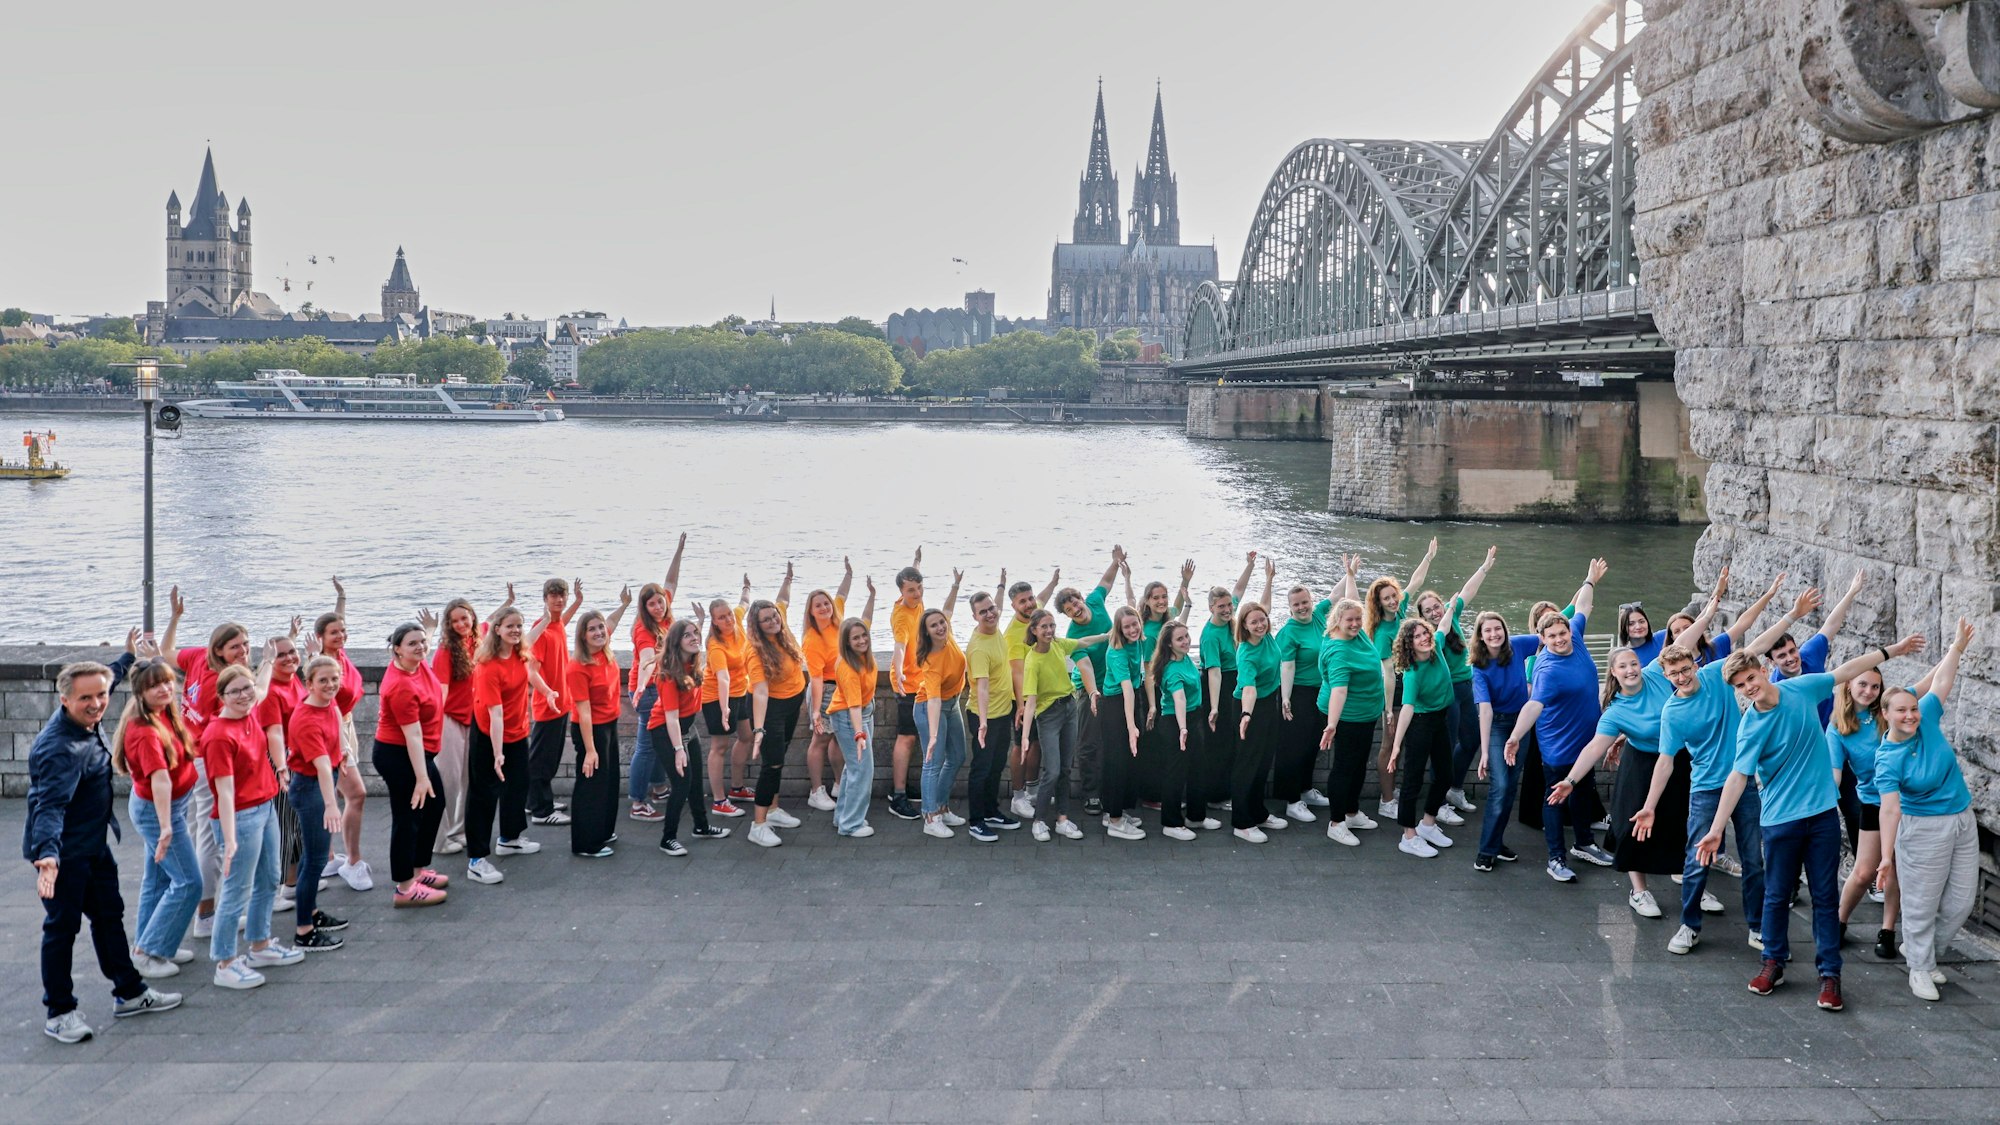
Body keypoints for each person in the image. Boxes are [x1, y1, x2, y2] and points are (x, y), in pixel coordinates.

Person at [1697, 628, 1925, 1012]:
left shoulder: (1801, 689)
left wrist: (1893, 650)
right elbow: (1738, 777)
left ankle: (1830, 975)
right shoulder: (1750, 725)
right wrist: (1717, 829)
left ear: (1763, 670)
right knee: (1775, 895)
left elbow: (1847, 671)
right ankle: (1772, 963)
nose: (1749, 687)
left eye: (1750, 678)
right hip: (1779, 821)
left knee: (1825, 896)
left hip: (1821, 816)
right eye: (1740, 686)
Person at [28, 657, 181, 1043]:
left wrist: (127, 657)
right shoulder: (59, 749)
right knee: (62, 930)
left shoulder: (85, 717)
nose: (97, 703)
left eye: (101, 694)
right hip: (63, 854)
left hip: (93, 845)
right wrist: (48, 856)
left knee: (109, 917)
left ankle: (129, 992)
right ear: (64, 700)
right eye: (86, 698)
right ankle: (59, 1013)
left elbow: (101, 685)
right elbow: (49, 806)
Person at [1551, 575, 1724, 916]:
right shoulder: (1616, 711)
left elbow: (1688, 636)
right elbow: (1593, 748)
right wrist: (1570, 780)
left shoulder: (1657, 672)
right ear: (1614, 673)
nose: (1631, 669)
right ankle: (1639, 891)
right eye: (1623, 666)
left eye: (1633, 663)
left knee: (1684, 823)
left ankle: (1692, 881)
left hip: (1677, 760)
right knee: (1633, 828)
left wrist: (1713, 603)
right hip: (1641, 765)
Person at [1877, 620, 1977, 1003]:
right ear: (1886, 714)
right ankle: (1919, 968)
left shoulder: (1928, 716)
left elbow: (1942, 682)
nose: (1911, 715)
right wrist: (1886, 857)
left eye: (1913, 709)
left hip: (1962, 819)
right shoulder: (1887, 759)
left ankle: (1923, 952)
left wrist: (1957, 647)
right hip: (1922, 829)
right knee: (1921, 903)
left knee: (1961, 902)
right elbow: (1890, 810)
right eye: (1901, 710)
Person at [202, 656, 308, 988]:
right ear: (221, 697)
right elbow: (224, 792)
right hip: (240, 817)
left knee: (269, 878)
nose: (245, 695)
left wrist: (266, 662)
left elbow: (261, 687)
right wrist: (230, 839)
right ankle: (225, 963)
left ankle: (260, 946)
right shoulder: (219, 736)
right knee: (237, 890)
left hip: (265, 807)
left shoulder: (250, 712)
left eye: (246, 688)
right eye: (235, 691)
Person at [1503, 561, 1607, 884]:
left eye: (1562, 633)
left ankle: (1584, 843)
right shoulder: (1546, 669)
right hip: (1559, 745)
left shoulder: (1576, 635)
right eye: (1552, 636)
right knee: (1555, 796)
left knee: (1583, 789)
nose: (1560, 639)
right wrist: (1515, 737)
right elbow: (1533, 706)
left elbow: (1583, 606)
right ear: (1542, 638)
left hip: (1587, 740)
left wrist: (1589, 580)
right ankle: (1556, 858)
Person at [112, 654, 204, 976]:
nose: (165, 689)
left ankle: (154, 943)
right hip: (158, 811)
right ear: (141, 692)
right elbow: (160, 780)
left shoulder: (163, 713)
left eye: (167, 682)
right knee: (189, 882)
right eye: (155, 686)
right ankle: (149, 951)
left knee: (159, 880)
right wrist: (166, 828)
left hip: (167, 806)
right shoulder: (145, 732)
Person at [463, 606, 558, 885]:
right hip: (488, 736)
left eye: (519, 626)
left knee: (518, 785)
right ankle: (476, 860)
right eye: (510, 626)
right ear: (497, 630)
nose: (516, 631)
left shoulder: (519, 653)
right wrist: (497, 754)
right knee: (483, 796)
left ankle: (509, 838)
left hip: (516, 732)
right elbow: (495, 714)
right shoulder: (487, 667)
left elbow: (530, 673)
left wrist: (547, 691)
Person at [1414, 545, 1496, 817]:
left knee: (1471, 740)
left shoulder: (1453, 614)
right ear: (1422, 617)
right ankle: (1438, 804)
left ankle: (1455, 788)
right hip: (1445, 694)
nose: (1434, 612)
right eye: (1428, 611)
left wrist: (1484, 567)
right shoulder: (1428, 636)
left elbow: (1467, 591)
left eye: (1436, 606)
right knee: (1444, 749)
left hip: (1466, 687)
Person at [373, 616, 450, 907]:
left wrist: (427, 630)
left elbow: (420, 645)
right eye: (412, 644)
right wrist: (421, 777)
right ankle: (405, 888)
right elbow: (412, 735)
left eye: (423, 642)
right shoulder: (400, 685)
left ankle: (417, 871)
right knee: (408, 817)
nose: (420, 647)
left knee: (434, 804)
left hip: (417, 753)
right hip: (399, 755)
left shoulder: (417, 664)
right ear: (397, 649)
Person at [1364, 540, 1438, 819]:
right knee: (1390, 745)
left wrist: (1428, 557)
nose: (1393, 601)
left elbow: (1415, 582)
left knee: (1405, 745)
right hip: (1394, 694)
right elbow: (1387, 673)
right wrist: (1387, 709)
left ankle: (1396, 792)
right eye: (1387, 599)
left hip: (1413, 687)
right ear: (1378, 603)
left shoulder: (1401, 613)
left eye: (1394, 596)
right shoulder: (1382, 633)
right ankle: (1386, 800)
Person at [1018, 608, 1106, 842]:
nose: (1049, 630)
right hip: (1048, 716)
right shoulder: (1032, 661)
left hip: (1069, 709)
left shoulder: (1058, 644)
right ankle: (1039, 821)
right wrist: (1025, 736)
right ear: (1034, 630)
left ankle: (1062, 820)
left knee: (1066, 768)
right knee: (1053, 771)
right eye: (1044, 627)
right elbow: (1030, 702)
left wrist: (1108, 635)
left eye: (1052, 625)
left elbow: (1083, 642)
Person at [653, 611, 734, 855]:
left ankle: (701, 826)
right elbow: (671, 717)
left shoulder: (692, 665)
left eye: (695, 633)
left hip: (688, 727)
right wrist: (678, 749)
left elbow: (693, 639)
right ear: (676, 642)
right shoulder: (668, 674)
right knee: (681, 783)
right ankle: (667, 838)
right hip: (666, 731)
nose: (694, 637)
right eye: (687, 635)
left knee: (696, 779)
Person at [1828, 667, 1895, 958]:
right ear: (1848, 685)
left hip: (1906, 803)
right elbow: (1834, 776)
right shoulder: (1838, 728)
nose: (1869, 692)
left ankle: (1888, 931)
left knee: (1895, 871)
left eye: (1875, 687)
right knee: (1865, 871)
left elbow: (1926, 688)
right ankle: (1839, 922)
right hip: (1873, 803)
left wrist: (1956, 650)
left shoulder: (1888, 711)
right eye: (1863, 684)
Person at [312, 586, 374, 894]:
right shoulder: (322, 665)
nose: (341, 635)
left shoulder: (339, 654)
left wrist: (342, 598)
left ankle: (327, 857)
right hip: (332, 732)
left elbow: (337, 619)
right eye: (334, 633)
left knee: (334, 793)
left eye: (343, 631)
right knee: (356, 794)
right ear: (320, 638)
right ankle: (352, 861)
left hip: (346, 726)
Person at [285, 655, 349, 951]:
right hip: (310, 788)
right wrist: (331, 805)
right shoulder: (306, 719)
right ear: (308, 684)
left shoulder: (328, 703)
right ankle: (304, 931)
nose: (330, 685)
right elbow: (321, 766)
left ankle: (311, 912)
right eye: (323, 680)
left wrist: (343, 753)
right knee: (315, 860)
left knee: (314, 856)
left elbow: (336, 723)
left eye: (334, 679)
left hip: (321, 781)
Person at [1054, 547, 1122, 817]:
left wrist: (1115, 562)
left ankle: (1113, 791)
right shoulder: (1074, 635)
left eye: (1075, 603)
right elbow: (1084, 667)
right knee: (1089, 743)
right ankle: (1091, 794)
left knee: (1113, 740)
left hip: (1113, 684)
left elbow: (1106, 582)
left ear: (1082, 599)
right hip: (1088, 690)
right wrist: (1093, 694)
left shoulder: (1095, 601)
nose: (1075, 609)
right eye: (1069, 610)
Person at [1317, 559, 1379, 847]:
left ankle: (1352, 812)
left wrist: (1351, 575)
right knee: (1344, 767)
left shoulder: (1358, 634)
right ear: (1337, 622)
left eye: (1358, 619)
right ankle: (1336, 822)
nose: (1355, 624)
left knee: (1359, 765)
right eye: (1349, 620)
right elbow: (1339, 691)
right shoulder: (1339, 651)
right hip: (1347, 717)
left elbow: (1352, 600)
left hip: (1366, 714)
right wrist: (1332, 725)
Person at [746, 569, 810, 848]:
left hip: (791, 702)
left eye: (774, 616)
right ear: (757, 625)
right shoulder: (755, 651)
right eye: (767, 620)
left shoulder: (780, 629)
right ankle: (758, 825)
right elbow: (760, 691)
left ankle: (772, 810)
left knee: (779, 758)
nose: (773, 621)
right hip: (770, 709)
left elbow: (783, 600)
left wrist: (788, 580)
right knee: (771, 765)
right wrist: (759, 729)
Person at [568, 590, 632, 857]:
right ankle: (585, 844)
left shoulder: (604, 651)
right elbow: (583, 712)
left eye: (600, 628)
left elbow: (611, 622)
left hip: (608, 725)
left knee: (609, 781)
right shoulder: (578, 667)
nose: (599, 632)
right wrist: (590, 750)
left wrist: (624, 604)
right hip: (590, 729)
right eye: (591, 629)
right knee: (591, 785)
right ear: (583, 636)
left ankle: (603, 831)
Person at [1387, 617, 1457, 858]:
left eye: (1425, 633)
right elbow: (1407, 708)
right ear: (1409, 644)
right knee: (1412, 780)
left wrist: (1453, 604)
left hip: (1440, 719)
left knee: (1445, 775)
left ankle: (1427, 824)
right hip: (1420, 723)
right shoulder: (1412, 673)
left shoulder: (1437, 647)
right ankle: (1408, 836)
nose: (1424, 638)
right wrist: (1397, 746)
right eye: (1417, 636)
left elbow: (1444, 624)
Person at [627, 536, 686, 822]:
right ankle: (637, 802)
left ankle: (659, 787)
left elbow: (671, 581)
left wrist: (679, 551)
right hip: (648, 690)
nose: (658, 606)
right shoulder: (644, 630)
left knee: (660, 740)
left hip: (661, 688)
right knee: (647, 747)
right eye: (652, 604)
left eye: (660, 601)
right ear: (644, 607)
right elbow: (647, 660)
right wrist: (640, 687)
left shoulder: (665, 610)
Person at [1232, 574, 1291, 844]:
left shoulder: (1266, 636)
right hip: (1250, 708)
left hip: (1269, 702)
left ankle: (1258, 813)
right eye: (1253, 622)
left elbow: (1264, 606)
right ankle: (1242, 823)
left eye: (1262, 620)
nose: (1260, 624)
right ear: (1244, 626)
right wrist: (1246, 715)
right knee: (1247, 765)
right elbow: (1249, 688)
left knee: (1263, 761)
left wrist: (1269, 579)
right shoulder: (1247, 653)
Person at [1274, 575, 1335, 824]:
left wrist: (1350, 573)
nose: (1302, 607)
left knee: (1312, 744)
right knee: (1294, 747)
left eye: (1304, 602)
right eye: (1296, 604)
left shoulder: (1319, 616)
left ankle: (1306, 789)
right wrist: (1286, 698)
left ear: (1311, 601)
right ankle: (1292, 801)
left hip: (1319, 692)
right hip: (1297, 693)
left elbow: (1335, 595)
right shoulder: (1289, 632)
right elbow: (1286, 667)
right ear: (1290, 608)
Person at [1002, 567, 1062, 819]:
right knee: (1021, 746)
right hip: (1023, 699)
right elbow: (1016, 673)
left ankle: (1033, 790)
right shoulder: (1014, 635)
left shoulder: (1035, 614)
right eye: (1022, 601)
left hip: (1041, 698)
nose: (1028, 604)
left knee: (1035, 744)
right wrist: (1021, 705)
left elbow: (1042, 599)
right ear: (1013, 605)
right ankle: (1017, 798)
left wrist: (1053, 582)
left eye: (1030, 598)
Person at [252, 631, 305, 915]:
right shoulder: (271, 690)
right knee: (281, 827)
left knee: (294, 825)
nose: (289, 658)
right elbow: (274, 733)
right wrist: (282, 767)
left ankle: (291, 883)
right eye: (281, 655)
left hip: (296, 757)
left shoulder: (294, 679)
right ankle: (269, 893)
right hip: (280, 761)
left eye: (292, 651)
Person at [1201, 553, 1259, 814]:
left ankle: (1231, 790)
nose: (1227, 610)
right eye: (1221, 607)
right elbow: (1213, 673)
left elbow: (1238, 590)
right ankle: (1215, 795)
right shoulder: (1210, 635)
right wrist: (1214, 708)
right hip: (1220, 687)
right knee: (1220, 743)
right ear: (1211, 608)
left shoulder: (1229, 619)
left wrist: (1250, 565)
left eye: (1228, 606)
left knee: (1234, 740)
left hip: (1234, 681)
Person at [914, 575, 970, 839]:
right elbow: (933, 699)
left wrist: (955, 585)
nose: (940, 627)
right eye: (934, 625)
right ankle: (930, 816)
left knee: (957, 756)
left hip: (953, 703)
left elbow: (947, 609)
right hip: (929, 709)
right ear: (926, 632)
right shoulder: (931, 661)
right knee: (932, 763)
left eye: (941, 623)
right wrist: (934, 735)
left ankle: (941, 806)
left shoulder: (949, 635)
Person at [525, 577, 584, 826]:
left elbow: (562, 622)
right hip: (548, 706)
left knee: (549, 757)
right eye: (553, 596)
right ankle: (542, 811)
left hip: (561, 704)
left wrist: (578, 602)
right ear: (545, 599)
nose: (559, 600)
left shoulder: (556, 623)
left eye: (563, 595)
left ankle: (534, 801)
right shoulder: (541, 630)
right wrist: (548, 692)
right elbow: (531, 671)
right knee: (542, 760)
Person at [1147, 619, 1211, 840]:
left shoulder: (1184, 659)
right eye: (1180, 639)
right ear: (1169, 644)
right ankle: (1171, 823)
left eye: (1186, 636)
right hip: (1175, 722)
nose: (1186, 641)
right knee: (1175, 774)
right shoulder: (1172, 670)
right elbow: (1179, 699)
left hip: (1193, 717)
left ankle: (1196, 817)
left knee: (1198, 769)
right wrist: (1183, 729)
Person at [963, 590, 1018, 840]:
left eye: (992, 608)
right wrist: (983, 723)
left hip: (1003, 712)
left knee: (996, 767)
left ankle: (991, 812)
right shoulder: (978, 649)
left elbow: (999, 605)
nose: (990, 614)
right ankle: (976, 821)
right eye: (982, 612)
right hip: (985, 717)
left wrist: (1002, 585)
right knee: (981, 769)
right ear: (975, 617)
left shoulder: (995, 628)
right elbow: (981, 688)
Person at [432, 595, 484, 853]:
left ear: (472, 617)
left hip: (472, 719)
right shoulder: (445, 651)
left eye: (465, 618)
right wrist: (433, 728)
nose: (461, 624)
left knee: (467, 779)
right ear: (448, 625)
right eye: (455, 621)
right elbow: (440, 693)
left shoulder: (478, 641)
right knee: (448, 780)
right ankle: (438, 839)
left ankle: (459, 830)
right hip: (449, 719)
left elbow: (495, 621)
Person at [827, 581, 880, 838]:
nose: (862, 640)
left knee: (853, 768)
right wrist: (859, 735)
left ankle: (843, 817)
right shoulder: (849, 667)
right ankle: (851, 825)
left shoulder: (862, 655)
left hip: (862, 714)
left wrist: (872, 595)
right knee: (862, 770)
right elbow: (854, 706)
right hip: (850, 718)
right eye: (855, 638)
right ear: (846, 643)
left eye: (863, 635)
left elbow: (866, 619)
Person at [800, 557, 853, 812]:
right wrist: (816, 712)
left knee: (839, 738)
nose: (823, 607)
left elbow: (842, 594)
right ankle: (816, 791)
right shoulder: (812, 639)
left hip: (843, 689)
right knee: (820, 740)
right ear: (810, 612)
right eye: (817, 605)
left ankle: (839, 784)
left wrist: (849, 574)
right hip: (826, 690)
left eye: (825, 603)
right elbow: (816, 679)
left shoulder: (837, 621)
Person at [702, 578, 756, 820]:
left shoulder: (738, 622)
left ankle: (736, 788)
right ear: (714, 621)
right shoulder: (716, 646)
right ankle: (719, 801)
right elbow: (722, 678)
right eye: (721, 617)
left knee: (746, 737)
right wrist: (724, 709)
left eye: (728, 615)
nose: (728, 619)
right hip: (716, 698)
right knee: (719, 746)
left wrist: (746, 587)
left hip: (740, 693)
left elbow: (744, 603)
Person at [1099, 606, 1151, 840]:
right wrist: (1131, 727)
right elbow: (1126, 689)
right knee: (1117, 761)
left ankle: (1113, 810)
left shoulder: (1138, 642)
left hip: (1131, 698)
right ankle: (1115, 821)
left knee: (1128, 761)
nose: (1132, 629)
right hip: (1115, 704)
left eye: (1134, 624)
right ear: (1119, 629)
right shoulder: (1116, 652)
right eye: (1126, 627)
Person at [886, 548, 929, 820]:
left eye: (919, 587)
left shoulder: (916, 600)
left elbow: (912, 576)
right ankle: (898, 796)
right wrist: (900, 672)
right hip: (907, 683)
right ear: (901, 592)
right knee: (907, 737)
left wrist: (916, 561)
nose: (917, 593)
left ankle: (900, 788)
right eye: (911, 590)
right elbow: (899, 647)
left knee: (914, 737)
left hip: (920, 680)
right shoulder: (902, 616)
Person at [1616, 603, 1663, 668]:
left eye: (1641, 622)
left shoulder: (1663, 637)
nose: (1638, 627)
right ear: (1624, 628)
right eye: (1631, 624)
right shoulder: (1624, 656)